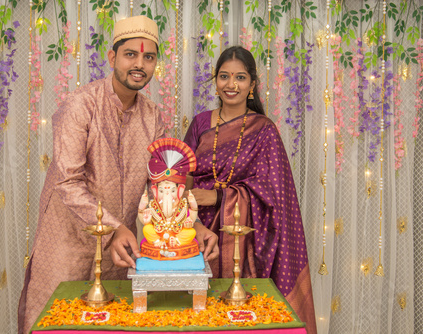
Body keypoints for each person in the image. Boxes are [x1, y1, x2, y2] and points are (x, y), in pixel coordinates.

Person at [18, 16, 218, 334]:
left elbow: (163, 186)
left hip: (118, 255)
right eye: (131, 54)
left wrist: (195, 226)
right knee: (58, 325)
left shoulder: (153, 117)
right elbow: (68, 182)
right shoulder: (79, 106)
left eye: (148, 57)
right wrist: (115, 229)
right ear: (112, 58)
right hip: (67, 248)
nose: (139, 64)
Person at [183, 46, 317, 334]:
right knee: (197, 315)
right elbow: (183, 178)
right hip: (197, 230)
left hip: (244, 240)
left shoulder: (265, 130)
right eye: (224, 76)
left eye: (240, 77)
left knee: (240, 318)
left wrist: (220, 197)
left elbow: (275, 193)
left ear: (252, 85)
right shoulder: (200, 124)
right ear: (215, 81)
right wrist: (190, 214)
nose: (231, 85)